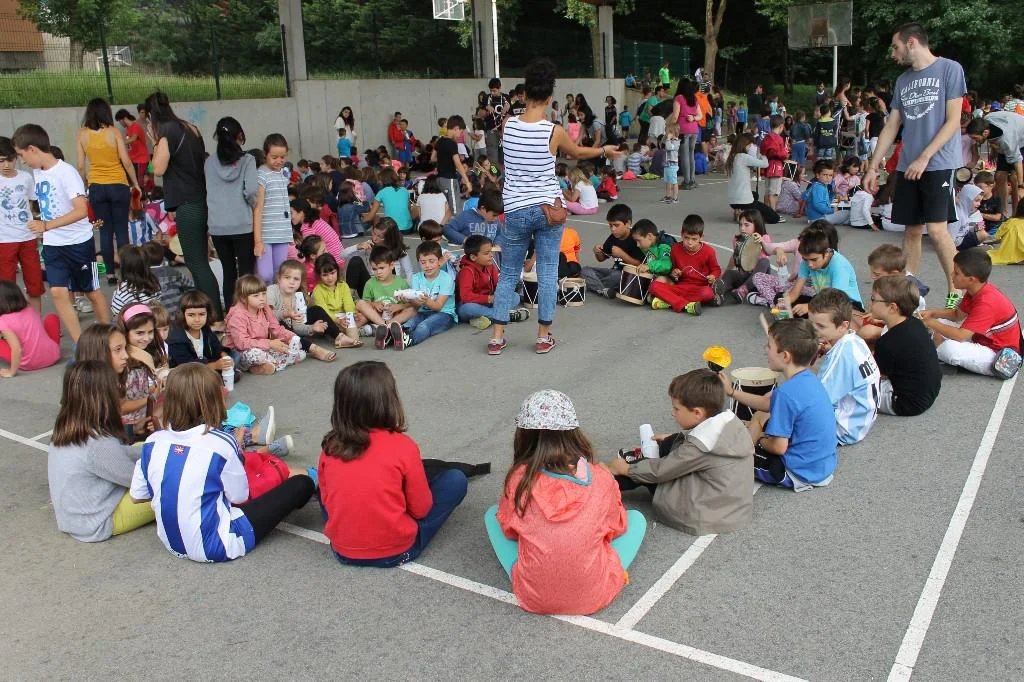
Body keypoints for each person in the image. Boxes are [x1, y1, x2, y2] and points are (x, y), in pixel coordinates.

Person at [487, 58, 621, 357]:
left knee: (509, 273)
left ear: (524, 94)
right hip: (548, 208)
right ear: (549, 97)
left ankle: (496, 337)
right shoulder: (554, 130)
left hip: (515, 208)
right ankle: (543, 336)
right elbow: (577, 152)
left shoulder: (508, 125)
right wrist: (604, 150)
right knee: (548, 271)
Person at [130, 363, 314, 562]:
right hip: (219, 545)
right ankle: (308, 477)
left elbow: (137, 496)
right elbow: (240, 495)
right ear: (213, 402)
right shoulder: (222, 443)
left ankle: (271, 457)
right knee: (301, 485)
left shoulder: (152, 442)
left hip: (171, 543)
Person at [484, 389, 646, 615]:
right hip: (593, 595)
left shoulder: (519, 479)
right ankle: (597, 571)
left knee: (493, 515)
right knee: (636, 519)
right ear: (574, 432)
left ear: (523, 435)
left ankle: (537, 575)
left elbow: (510, 532)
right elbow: (617, 527)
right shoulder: (600, 477)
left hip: (535, 596)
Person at [318, 361, 469, 566]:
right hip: (396, 551)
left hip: (343, 550)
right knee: (455, 480)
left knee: (327, 487)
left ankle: (353, 529)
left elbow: (327, 501)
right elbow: (421, 510)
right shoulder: (403, 446)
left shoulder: (330, 447)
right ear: (388, 400)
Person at [863, 23, 966, 310]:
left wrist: (925, 157)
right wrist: (873, 167)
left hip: (939, 162)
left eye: (895, 47)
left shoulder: (949, 69)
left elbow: (953, 120)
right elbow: (892, 125)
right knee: (911, 230)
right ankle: (907, 292)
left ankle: (957, 291)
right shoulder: (903, 81)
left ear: (911, 43)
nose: (892, 53)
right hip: (909, 164)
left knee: (937, 230)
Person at [605, 369, 753, 535]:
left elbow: (660, 471)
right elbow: (699, 442)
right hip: (732, 508)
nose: (672, 413)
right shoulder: (730, 423)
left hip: (702, 513)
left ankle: (600, 484)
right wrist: (672, 438)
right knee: (671, 442)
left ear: (697, 413)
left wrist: (626, 469)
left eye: (676, 409)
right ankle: (619, 472)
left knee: (643, 469)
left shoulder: (699, 447)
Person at [13, 124, 111, 340]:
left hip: (79, 243)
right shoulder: (38, 172)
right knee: (57, 292)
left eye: (21, 155)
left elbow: (82, 211)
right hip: (52, 243)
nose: (22, 161)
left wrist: (46, 225)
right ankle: (80, 344)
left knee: (92, 291)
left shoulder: (67, 172)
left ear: (32, 149)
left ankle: (109, 338)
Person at [48, 360, 155, 542]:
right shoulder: (99, 444)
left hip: (74, 516)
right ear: (104, 395)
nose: (119, 389)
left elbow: (119, 453)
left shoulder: (71, 426)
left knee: (140, 448)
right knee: (172, 488)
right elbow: (137, 481)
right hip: (97, 522)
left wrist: (155, 449)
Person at [727, 319, 837, 490]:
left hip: (796, 472)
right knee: (761, 415)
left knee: (725, 462)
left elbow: (778, 448)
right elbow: (767, 404)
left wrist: (761, 439)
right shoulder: (810, 379)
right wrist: (732, 392)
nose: (766, 349)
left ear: (785, 356)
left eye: (769, 346)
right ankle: (747, 445)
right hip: (822, 465)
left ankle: (741, 456)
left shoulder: (785, 394)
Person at [143, 92, 222, 319]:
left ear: (150, 116)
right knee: (201, 262)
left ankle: (214, 316)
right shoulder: (190, 128)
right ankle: (210, 313)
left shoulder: (167, 131)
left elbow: (157, 169)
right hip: (200, 198)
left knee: (197, 263)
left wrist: (155, 141)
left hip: (187, 204)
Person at [921, 248, 1022, 377]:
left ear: (971, 279)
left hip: (999, 355)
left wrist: (931, 323)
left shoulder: (986, 303)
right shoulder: (976, 289)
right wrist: (932, 314)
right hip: (983, 339)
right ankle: (936, 346)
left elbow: (961, 336)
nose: (952, 275)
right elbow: (957, 315)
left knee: (949, 349)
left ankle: (936, 349)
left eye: (956, 273)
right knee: (939, 324)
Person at [76, 98, 140, 286]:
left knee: (104, 231)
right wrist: (135, 183)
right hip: (118, 185)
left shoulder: (82, 135)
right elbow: (126, 161)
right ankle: (127, 273)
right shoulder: (114, 132)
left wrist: (86, 183)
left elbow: (80, 166)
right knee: (121, 230)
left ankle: (111, 274)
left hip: (97, 186)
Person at [807, 289, 880, 445]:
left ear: (842, 326)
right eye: (810, 323)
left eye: (820, 326)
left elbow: (817, 401)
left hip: (843, 429)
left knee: (774, 411)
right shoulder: (855, 340)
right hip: (861, 421)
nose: (813, 331)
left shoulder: (841, 357)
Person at [870, 275, 942, 416]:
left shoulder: (888, 342)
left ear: (892, 307)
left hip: (904, 403)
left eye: (873, 299)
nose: (870, 303)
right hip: (928, 394)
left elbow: (875, 375)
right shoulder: (915, 323)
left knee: (853, 385)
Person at [206, 117, 258, 308]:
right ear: (239, 135)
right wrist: (253, 205)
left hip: (218, 225)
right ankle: (247, 313)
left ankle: (231, 313)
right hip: (242, 223)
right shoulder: (248, 160)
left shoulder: (209, 162)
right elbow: (251, 191)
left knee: (228, 271)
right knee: (246, 272)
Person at [225, 274, 307, 374]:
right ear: (243, 298)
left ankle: (268, 364)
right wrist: (270, 344)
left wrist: (292, 338)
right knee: (255, 354)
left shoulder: (264, 308)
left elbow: (276, 328)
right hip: (241, 351)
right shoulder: (237, 315)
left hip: (263, 347)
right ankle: (266, 364)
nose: (262, 298)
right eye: (256, 295)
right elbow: (241, 343)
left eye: (264, 294)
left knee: (300, 353)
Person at [0, 136, 44, 313]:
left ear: (16, 157)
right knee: (6, 287)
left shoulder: (26, 177)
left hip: (28, 237)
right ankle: (9, 324)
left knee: (35, 283)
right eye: (1, 161)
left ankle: (36, 321)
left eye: (10, 160)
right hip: (4, 240)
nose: (6, 165)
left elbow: (32, 204)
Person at [266, 260, 340, 362]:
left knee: (316, 310)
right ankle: (314, 349)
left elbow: (297, 327)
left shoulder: (297, 296)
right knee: (282, 325)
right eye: (287, 277)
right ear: (279, 278)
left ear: (300, 282)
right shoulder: (271, 290)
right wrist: (285, 314)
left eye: (296, 279)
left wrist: (312, 328)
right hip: (272, 331)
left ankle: (339, 336)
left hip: (291, 331)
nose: (292, 282)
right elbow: (267, 316)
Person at [783, 222, 862, 316]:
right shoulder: (807, 261)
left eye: (814, 260)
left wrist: (810, 307)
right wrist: (783, 304)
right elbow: (794, 293)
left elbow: (837, 300)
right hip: (824, 301)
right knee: (782, 300)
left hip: (847, 305)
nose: (810, 265)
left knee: (817, 314)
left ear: (827, 253)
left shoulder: (839, 266)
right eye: (805, 259)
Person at [649, 214, 723, 314]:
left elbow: (716, 269)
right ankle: (686, 305)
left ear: (701, 237)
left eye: (694, 239)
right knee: (654, 286)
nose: (690, 243)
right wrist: (674, 272)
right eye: (686, 238)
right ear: (681, 234)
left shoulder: (709, 251)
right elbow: (673, 270)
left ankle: (670, 302)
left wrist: (713, 276)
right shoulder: (675, 249)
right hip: (681, 287)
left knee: (707, 293)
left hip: (699, 288)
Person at [456, 234, 529, 330]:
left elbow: (498, 285)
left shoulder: (490, 266)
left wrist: (501, 294)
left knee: (515, 296)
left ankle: (486, 317)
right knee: (468, 309)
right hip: (470, 304)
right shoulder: (467, 271)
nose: (491, 255)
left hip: (488, 303)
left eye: (491, 252)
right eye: (486, 253)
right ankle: (503, 315)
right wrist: (488, 299)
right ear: (473, 257)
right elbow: (465, 296)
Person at [399, 241, 457, 349]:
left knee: (424, 326)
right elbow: (417, 305)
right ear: (419, 262)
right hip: (423, 312)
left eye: (431, 261)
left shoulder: (446, 279)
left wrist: (426, 301)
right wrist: (409, 299)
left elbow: (438, 306)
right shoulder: (416, 278)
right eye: (423, 262)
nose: (427, 266)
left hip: (445, 314)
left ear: (440, 261)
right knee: (409, 324)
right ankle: (392, 337)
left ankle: (409, 340)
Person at [253, 134, 294, 282]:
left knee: (279, 274)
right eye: (274, 157)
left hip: (282, 233)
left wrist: (289, 232)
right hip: (266, 234)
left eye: (283, 157)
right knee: (265, 275)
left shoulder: (284, 173)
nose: (279, 161)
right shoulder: (261, 175)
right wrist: (258, 241)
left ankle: (276, 297)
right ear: (265, 154)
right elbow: (257, 209)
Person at [580, 204, 643, 300]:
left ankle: (594, 286)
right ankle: (602, 289)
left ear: (628, 223)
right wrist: (598, 252)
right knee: (585, 270)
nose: (613, 229)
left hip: (629, 275)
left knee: (617, 276)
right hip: (613, 271)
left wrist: (622, 255)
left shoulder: (636, 238)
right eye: (610, 225)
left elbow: (640, 264)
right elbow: (601, 259)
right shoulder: (613, 237)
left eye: (616, 225)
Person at [966, 111, 1024, 216]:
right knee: (999, 176)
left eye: (975, 138)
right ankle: (1003, 212)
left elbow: (1017, 160)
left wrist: (1021, 184)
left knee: (1014, 178)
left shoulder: (1007, 140)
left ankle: (1016, 212)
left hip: (1021, 140)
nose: (974, 141)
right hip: (1010, 129)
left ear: (985, 133)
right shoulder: (985, 122)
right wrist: (994, 149)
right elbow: (992, 135)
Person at [0, 280, 60, 376]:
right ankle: (49, 349)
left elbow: (17, 349)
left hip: (29, 364)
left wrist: (12, 371)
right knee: (51, 318)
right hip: (53, 356)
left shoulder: (3, 320)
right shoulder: (30, 309)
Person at [167, 290, 234, 373]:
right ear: (183, 314)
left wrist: (225, 357)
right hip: (187, 373)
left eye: (202, 314)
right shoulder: (176, 338)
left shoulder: (205, 328)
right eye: (191, 315)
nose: (197, 320)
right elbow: (186, 365)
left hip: (207, 365)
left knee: (235, 355)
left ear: (208, 314)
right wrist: (215, 365)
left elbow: (217, 347)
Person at [726, 132, 782, 225]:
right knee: (774, 218)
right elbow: (765, 164)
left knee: (755, 195)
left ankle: (739, 210)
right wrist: (763, 154)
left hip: (733, 200)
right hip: (744, 201)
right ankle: (743, 213)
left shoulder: (732, 156)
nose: (750, 147)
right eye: (749, 145)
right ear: (745, 145)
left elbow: (752, 165)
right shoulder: (743, 157)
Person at [309, 255, 361, 349]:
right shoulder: (318, 291)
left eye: (332, 273)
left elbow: (348, 303)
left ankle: (351, 330)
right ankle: (351, 332)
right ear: (319, 275)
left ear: (337, 270)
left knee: (361, 310)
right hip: (331, 319)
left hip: (343, 316)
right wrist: (338, 320)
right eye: (325, 275)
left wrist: (351, 314)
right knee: (351, 336)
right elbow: (324, 311)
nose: (330, 278)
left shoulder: (343, 285)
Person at [433, 115, 472, 213]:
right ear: (456, 128)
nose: (460, 135)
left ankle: (443, 222)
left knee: (449, 209)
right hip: (449, 179)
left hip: (439, 179)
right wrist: (467, 181)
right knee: (456, 210)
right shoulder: (452, 143)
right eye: (461, 132)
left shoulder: (439, 141)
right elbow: (458, 163)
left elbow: (432, 158)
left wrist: (444, 159)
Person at [109, 244, 160, 317]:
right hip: (151, 320)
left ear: (124, 267)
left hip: (132, 322)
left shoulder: (122, 290)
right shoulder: (154, 283)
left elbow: (116, 312)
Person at [668, 79, 700, 191]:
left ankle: (686, 181)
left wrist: (669, 127)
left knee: (684, 156)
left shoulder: (679, 98)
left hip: (683, 130)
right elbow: (700, 115)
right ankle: (692, 180)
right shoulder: (694, 99)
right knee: (691, 155)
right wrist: (693, 118)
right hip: (694, 130)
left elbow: (675, 116)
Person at [803, 160, 850, 225]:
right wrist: (832, 210)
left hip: (819, 218)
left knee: (846, 217)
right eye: (825, 175)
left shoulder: (821, 186)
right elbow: (818, 205)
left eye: (830, 175)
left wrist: (834, 196)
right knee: (847, 213)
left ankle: (850, 221)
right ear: (818, 175)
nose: (828, 177)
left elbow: (828, 203)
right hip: (819, 219)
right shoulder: (818, 187)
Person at [115, 108, 150, 186]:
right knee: (134, 182)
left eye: (120, 121)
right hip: (133, 159)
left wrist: (119, 143)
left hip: (141, 160)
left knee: (140, 183)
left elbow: (133, 138)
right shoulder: (128, 128)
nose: (120, 123)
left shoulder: (135, 126)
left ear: (124, 118)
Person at [760, 115, 788, 210]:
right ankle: (773, 212)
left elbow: (762, 150)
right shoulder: (779, 138)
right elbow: (780, 153)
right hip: (776, 166)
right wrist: (785, 153)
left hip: (767, 165)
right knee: (774, 192)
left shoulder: (766, 137)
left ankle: (765, 210)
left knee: (767, 191)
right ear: (781, 126)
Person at [661, 125, 681, 204]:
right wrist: (666, 136)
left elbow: (669, 147)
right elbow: (662, 142)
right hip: (667, 164)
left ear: (674, 133)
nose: (667, 134)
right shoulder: (668, 140)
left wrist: (668, 139)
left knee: (673, 181)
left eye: (669, 132)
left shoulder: (676, 142)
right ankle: (668, 196)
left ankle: (675, 198)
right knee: (667, 181)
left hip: (673, 165)